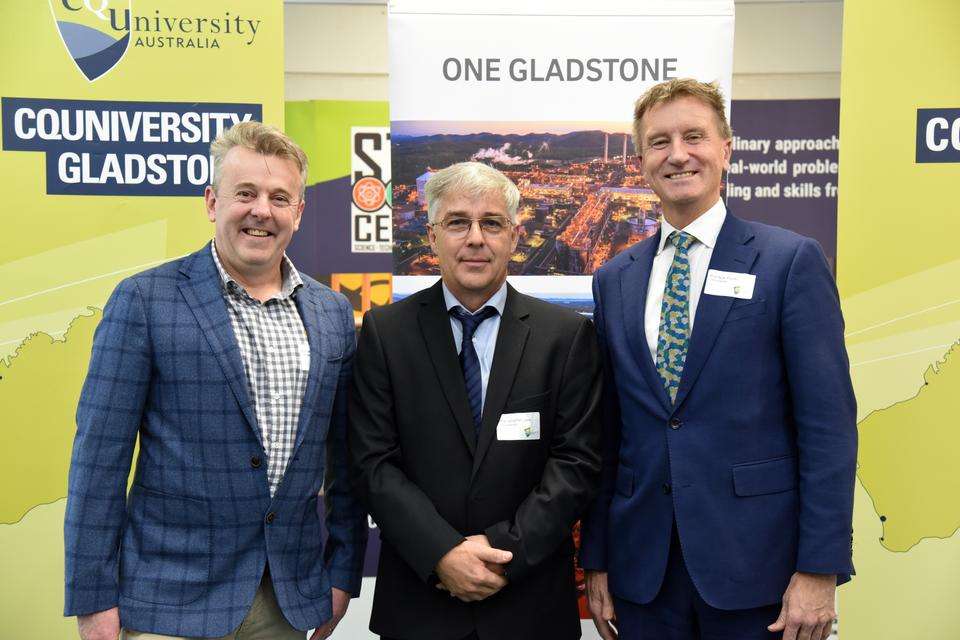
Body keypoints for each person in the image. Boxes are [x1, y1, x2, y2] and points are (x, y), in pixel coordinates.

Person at [64, 121, 367, 640]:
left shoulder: (333, 312)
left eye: (279, 197)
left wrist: (342, 576)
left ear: (298, 211)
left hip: (287, 603)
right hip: (166, 602)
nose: (261, 211)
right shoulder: (143, 301)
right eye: (244, 193)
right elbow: (98, 464)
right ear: (211, 202)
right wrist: (94, 602)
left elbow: (347, 460)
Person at [579, 79, 857, 640]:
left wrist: (819, 568)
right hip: (644, 573)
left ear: (726, 148)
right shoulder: (614, 279)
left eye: (694, 136)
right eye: (659, 142)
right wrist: (599, 559)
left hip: (761, 572)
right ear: (640, 162)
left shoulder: (789, 262)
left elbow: (827, 427)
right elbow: (610, 435)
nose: (678, 154)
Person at [348, 161, 602, 640]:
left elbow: (576, 463)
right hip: (421, 604)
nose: (475, 239)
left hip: (529, 603)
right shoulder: (386, 332)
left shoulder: (564, 336)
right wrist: (443, 553)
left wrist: (501, 554)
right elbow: (372, 462)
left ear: (514, 235)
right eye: (458, 222)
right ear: (432, 237)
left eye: (491, 223)